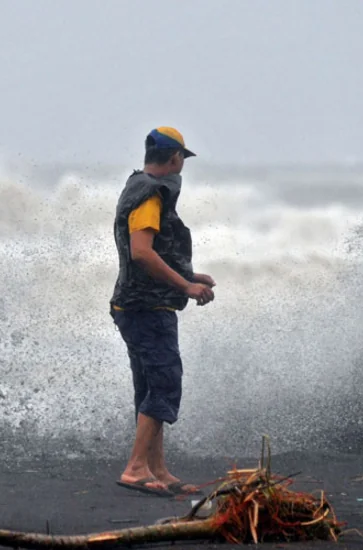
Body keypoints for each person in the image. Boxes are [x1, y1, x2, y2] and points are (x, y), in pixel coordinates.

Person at [110, 127, 216, 497]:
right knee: (165, 382)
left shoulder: (137, 186)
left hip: (136, 303)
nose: (181, 166)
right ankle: (136, 468)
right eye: (182, 159)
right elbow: (141, 252)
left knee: (150, 386)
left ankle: (157, 469)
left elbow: (149, 252)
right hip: (146, 307)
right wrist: (185, 287)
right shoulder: (152, 195)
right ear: (174, 159)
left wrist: (189, 275)